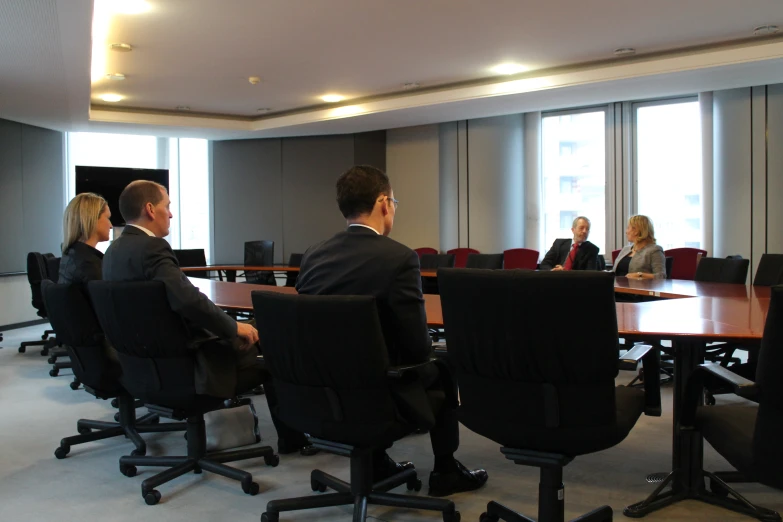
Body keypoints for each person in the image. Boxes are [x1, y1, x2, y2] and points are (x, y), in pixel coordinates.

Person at [296, 165, 488, 497]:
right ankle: (445, 471)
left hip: (318, 394)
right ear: (384, 203)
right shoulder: (399, 258)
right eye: (395, 202)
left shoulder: (313, 256)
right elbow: (416, 348)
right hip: (380, 398)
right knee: (442, 364)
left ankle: (377, 459)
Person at [102, 180, 314, 455]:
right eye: (168, 206)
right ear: (151, 209)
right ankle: (292, 441)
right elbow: (187, 301)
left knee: (252, 329)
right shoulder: (152, 249)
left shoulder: (112, 253)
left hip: (144, 369)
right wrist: (231, 329)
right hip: (189, 368)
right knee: (272, 344)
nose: (172, 214)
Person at [59, 193, 112, 284]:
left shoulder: (71, 255)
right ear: (93, 219)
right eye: (107, 218)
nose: (111, 226)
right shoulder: (89, 265)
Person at [613, 215, 666, 280]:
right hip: (615, 287)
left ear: (636, 231)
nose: (626, 232)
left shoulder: (654, 250)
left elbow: (661, 276)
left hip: (639, 288)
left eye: (628, 228)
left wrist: (640, 275)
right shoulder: (625, 249)